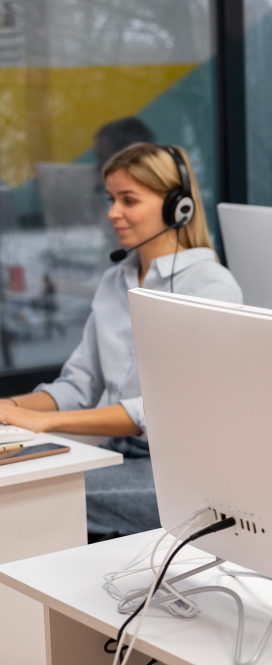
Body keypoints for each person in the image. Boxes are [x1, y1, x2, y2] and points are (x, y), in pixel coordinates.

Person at [0, 143, 242, 539]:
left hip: (179, 475)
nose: (113, 213)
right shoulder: (115, 282)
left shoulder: (212, 288)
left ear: (176, 206)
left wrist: (46, 422)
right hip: (115, 453)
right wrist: (10, 407)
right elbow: (79, 385)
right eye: (111, 199)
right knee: (23, 481)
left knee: (32, 496)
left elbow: (160, 411)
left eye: (129, 200)